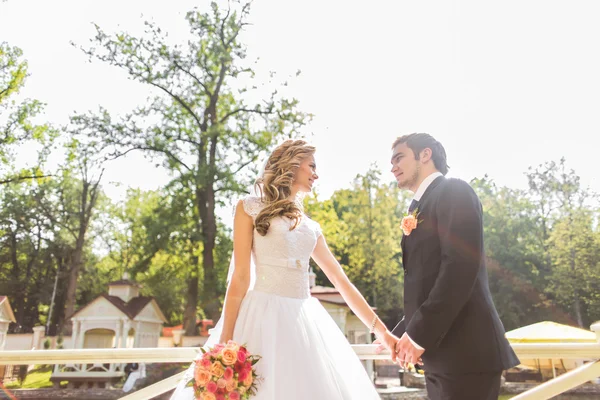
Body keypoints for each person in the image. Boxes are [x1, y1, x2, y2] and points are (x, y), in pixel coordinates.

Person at [171, 139, 396, 399]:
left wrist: (382, 331)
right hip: (259, 318)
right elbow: (240, 278)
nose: (316, 174)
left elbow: (341, 281)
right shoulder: (249, 208)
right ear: (291, 164)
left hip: (305, 323)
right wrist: (224, 342)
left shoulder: (311, 228)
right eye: (311, 165)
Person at [384, 133, 520, 399]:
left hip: (467, 353)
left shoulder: (454, 190)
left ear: (425, 155)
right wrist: (402, 334)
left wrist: (418, 334)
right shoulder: (420, 206)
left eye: (399, 157)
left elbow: (459, 269)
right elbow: (426, 282)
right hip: (439, 354)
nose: (392, 167)